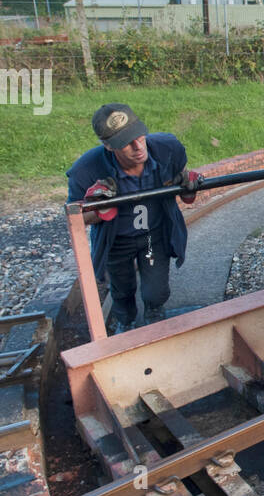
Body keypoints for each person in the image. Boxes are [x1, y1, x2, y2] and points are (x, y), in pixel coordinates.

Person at [66, 103, 200, 333]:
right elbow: (77, 217)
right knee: (122, 288)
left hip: (152, 237)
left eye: (139, 136)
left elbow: (185, 189)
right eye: (126, 143)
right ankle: (125, 322)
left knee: (155, 290)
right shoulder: (86, 171)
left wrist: (188, 184)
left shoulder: (168, 149)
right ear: (108, 146)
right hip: (117, 241)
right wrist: (98, 206)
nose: (138, 146)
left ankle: (154, 313)